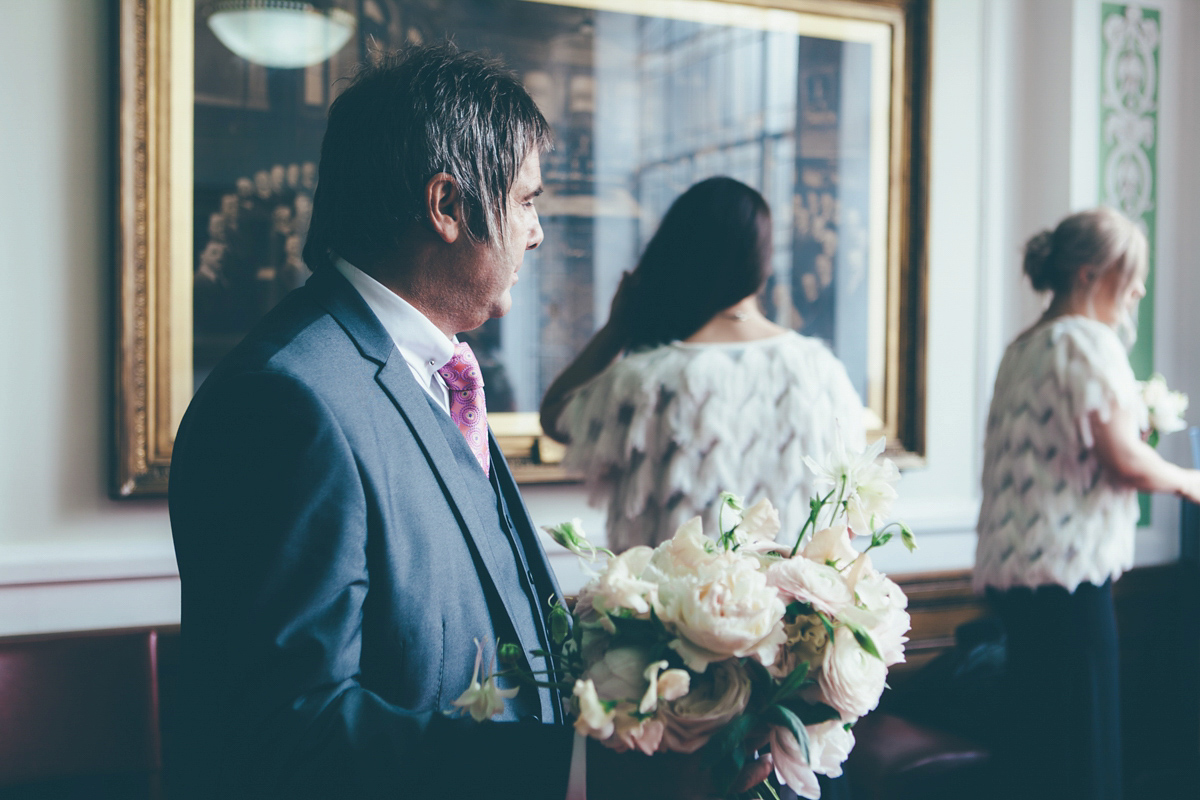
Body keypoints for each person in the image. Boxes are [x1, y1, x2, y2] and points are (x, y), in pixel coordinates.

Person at [168, 44, 771, 800]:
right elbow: (290, 730)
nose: (538, 232)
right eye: (526, 200)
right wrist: (583, 774)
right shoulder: (283, 401)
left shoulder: (436, 371)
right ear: (447, 206)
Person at [973, 207, 1200, 800]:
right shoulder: (1086, 341)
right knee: (1081, 749)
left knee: (1036, 747)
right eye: (1131, 274)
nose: (1140, 289)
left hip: (1016, 577)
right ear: (1088, 275)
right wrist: (1187, 480)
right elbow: (1122, 460)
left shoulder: (1023, 348)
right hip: (1067, 578)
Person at [540, 177, 866, 556]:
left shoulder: (648, 381)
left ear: (679, 257)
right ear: (763, 259)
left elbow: (556, 416)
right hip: (794, 611)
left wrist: (616, 329)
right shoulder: (823, 371)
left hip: (673, 610)